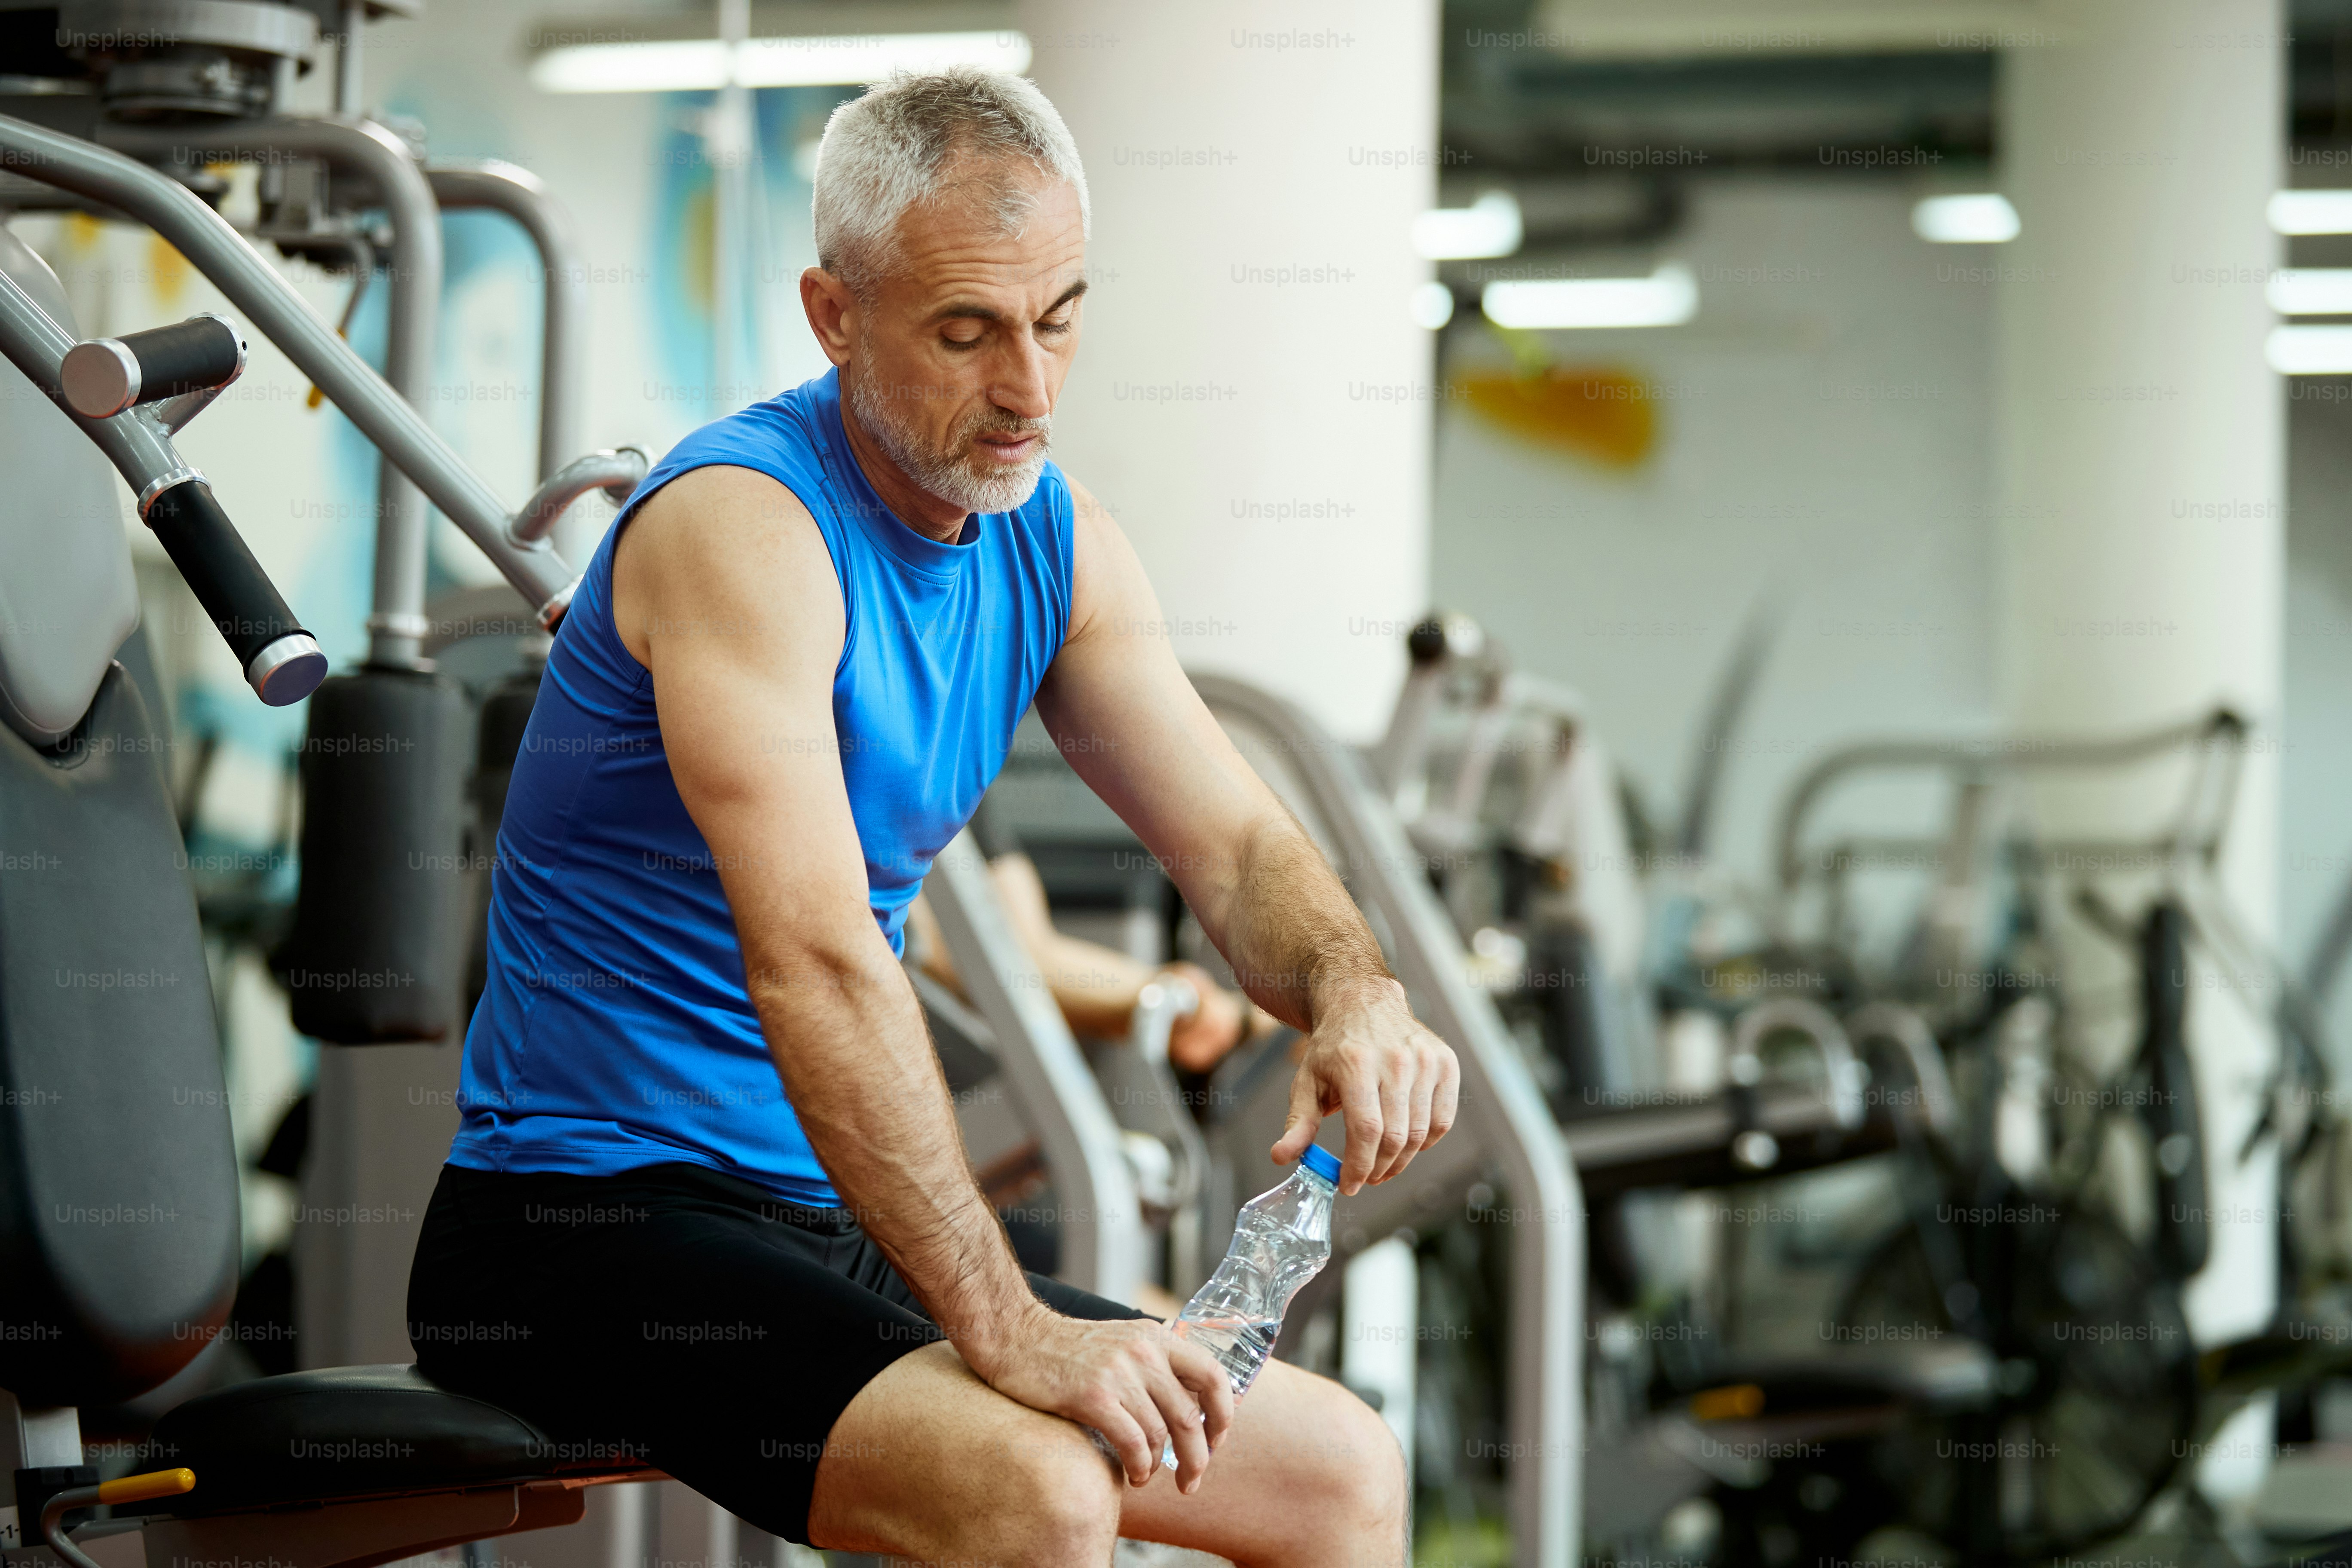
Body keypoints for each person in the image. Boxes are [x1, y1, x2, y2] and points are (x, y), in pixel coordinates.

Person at [407, 67, 1457, 1568]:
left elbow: (1232, 845)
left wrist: (1353, 990)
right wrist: (1012, 1328)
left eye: (1061, 318)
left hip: (825, 1217)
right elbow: (819, 958)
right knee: (1035, 1491)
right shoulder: (744, 531)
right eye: (968, 331)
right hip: (579, 1228)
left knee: (1335, 1474)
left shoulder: (1054, 541)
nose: (1030, 387)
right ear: (835, 316)